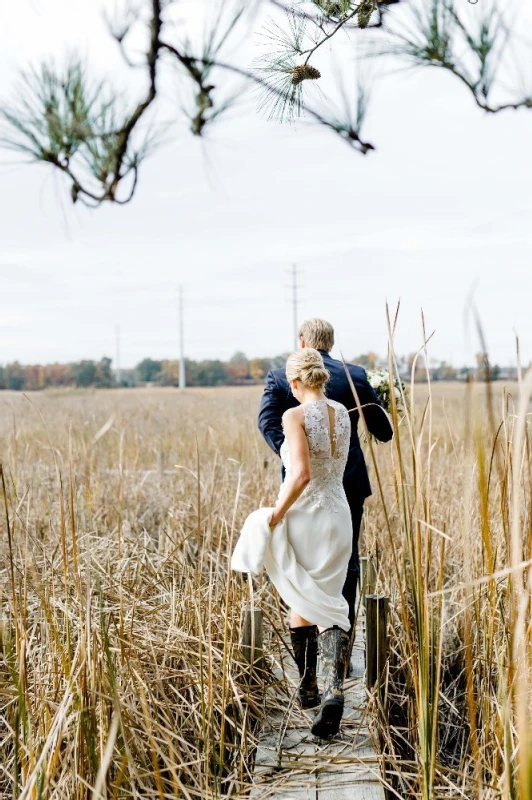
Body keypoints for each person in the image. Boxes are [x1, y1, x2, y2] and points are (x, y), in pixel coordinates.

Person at [258, 319, 393, 676]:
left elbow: (267, 423)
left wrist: (294, 456)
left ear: (301, 341)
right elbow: (383, 431)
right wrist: (386, 401)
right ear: (331, 343)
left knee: (300, 567)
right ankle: (341, 662)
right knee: (344, 564)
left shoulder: (280, 375)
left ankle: (307, 675)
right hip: (347, 483)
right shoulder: (356, 375)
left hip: (301, 488)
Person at [261, 347, 354, 737]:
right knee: (330, 599)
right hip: (339, 514)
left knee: (301, 596)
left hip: (307, 517)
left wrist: (275, 516)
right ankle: (333, 689)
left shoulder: (293, 415)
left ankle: (308, 685)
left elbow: (299, 476)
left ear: (296, 383)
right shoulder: (344, 414)